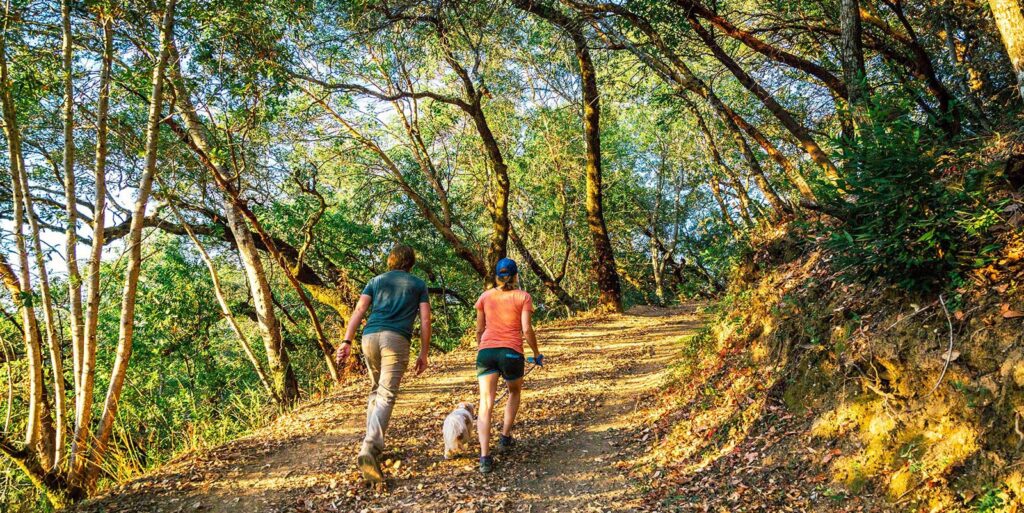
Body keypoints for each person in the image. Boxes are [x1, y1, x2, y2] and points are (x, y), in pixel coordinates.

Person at [336, 244, 431, 485]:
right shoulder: (418, 285)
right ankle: (369, 448)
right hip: (395, 339)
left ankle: (372, 441)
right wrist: (424, 352)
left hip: (369, 337)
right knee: (386, 394)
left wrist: (347, 340)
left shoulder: (376, 281)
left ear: (391, 260)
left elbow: (360, 309)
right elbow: (425, 318)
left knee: (376, 389)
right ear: (411, 262)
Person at [474, 257, 543, 474]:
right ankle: (504, 436)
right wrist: (536, 353)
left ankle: (485, 457)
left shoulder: (485, 297)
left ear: (496, 276)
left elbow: (479, 329)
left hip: (486, 352)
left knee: (485, 403)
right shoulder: (523, 297)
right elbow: (526, 330)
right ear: (515, 276)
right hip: (512, 352)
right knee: (514, 393)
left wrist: (482, 348)